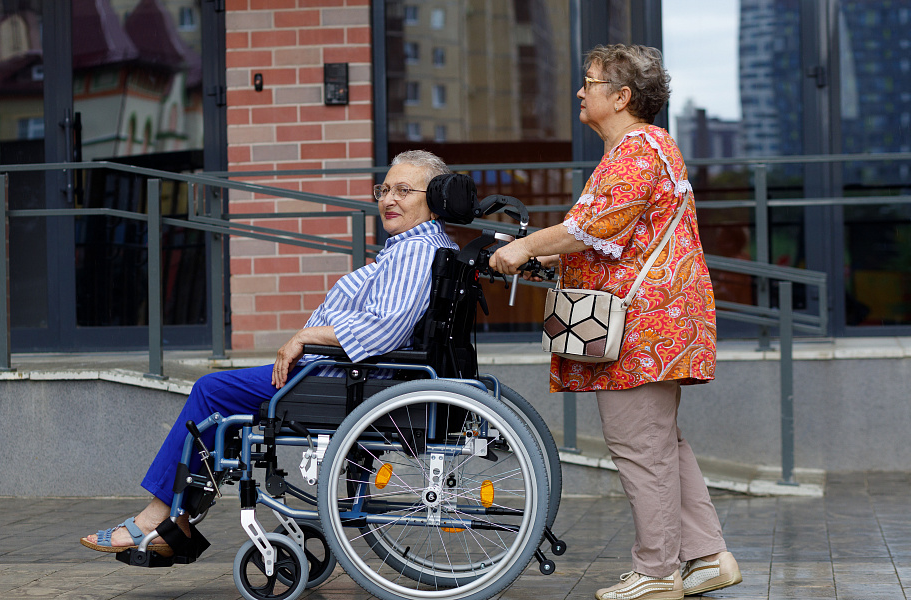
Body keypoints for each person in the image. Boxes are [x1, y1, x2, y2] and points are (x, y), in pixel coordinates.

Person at [82, 150, 457, 556]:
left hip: (342, 379)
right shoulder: (425, 246)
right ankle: (177, 518)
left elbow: (384, 328)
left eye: (403, 190)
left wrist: (305, 337)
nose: (388, 199)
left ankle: (160, 518)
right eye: (384, 189)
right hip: (346, 374)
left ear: (434, 199)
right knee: (224, 400)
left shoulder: (416, 251)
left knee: (212, 392)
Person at [490, 44, 741, 600]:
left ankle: (657, 572)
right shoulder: (650, 148)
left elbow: (589, 226)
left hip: (641, 328)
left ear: (622, 96)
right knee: (660, 443)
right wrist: (547, 252)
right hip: (659, 321)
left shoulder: (636, 150)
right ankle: (707, 557)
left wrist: (524, 246)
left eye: (590, 82)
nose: (580, 92)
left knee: (640, 446)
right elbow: (611, 234)